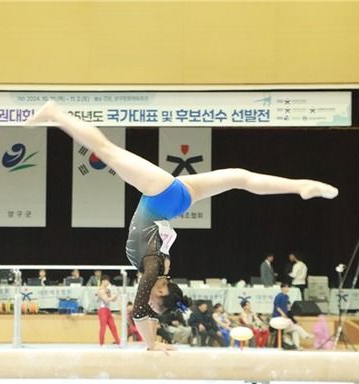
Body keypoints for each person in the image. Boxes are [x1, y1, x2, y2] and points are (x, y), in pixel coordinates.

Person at [27, 101, 338, 351]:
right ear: (160, 289)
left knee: (240, 178)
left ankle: (302, 186)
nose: (147, 296)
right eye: (154, 296)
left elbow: (145, 310)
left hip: (175, 200)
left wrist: (153, 344)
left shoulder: (160, 269)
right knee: (107, 150)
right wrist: (150, 344)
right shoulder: (152, 268)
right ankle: (55, 112)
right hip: (161, 193)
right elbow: (140, 310)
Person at [272, 283, 312, 350]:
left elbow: (289, 312)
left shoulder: (287, 297)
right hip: (279, 318)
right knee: (296, 328)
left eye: (288, 287)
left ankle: (297, 346)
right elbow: (277, 307)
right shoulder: (279, 296)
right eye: (286, 287)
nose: (288, 289)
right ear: (282, 288)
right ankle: (305, 335)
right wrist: (282, 314)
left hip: (285, 318)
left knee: (295, 331)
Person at [97, 275, 121, 346]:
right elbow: (106, 300)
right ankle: (101, 343)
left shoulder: (107, 290)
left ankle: (118, 342)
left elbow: (112, 300)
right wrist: (114, 296)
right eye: (107, 281)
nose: (108, 283)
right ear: (103, 281)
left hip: (107, 310)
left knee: (113, 326)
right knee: (103, 327)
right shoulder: (100, 290)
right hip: (102, 310)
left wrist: (116, 294)